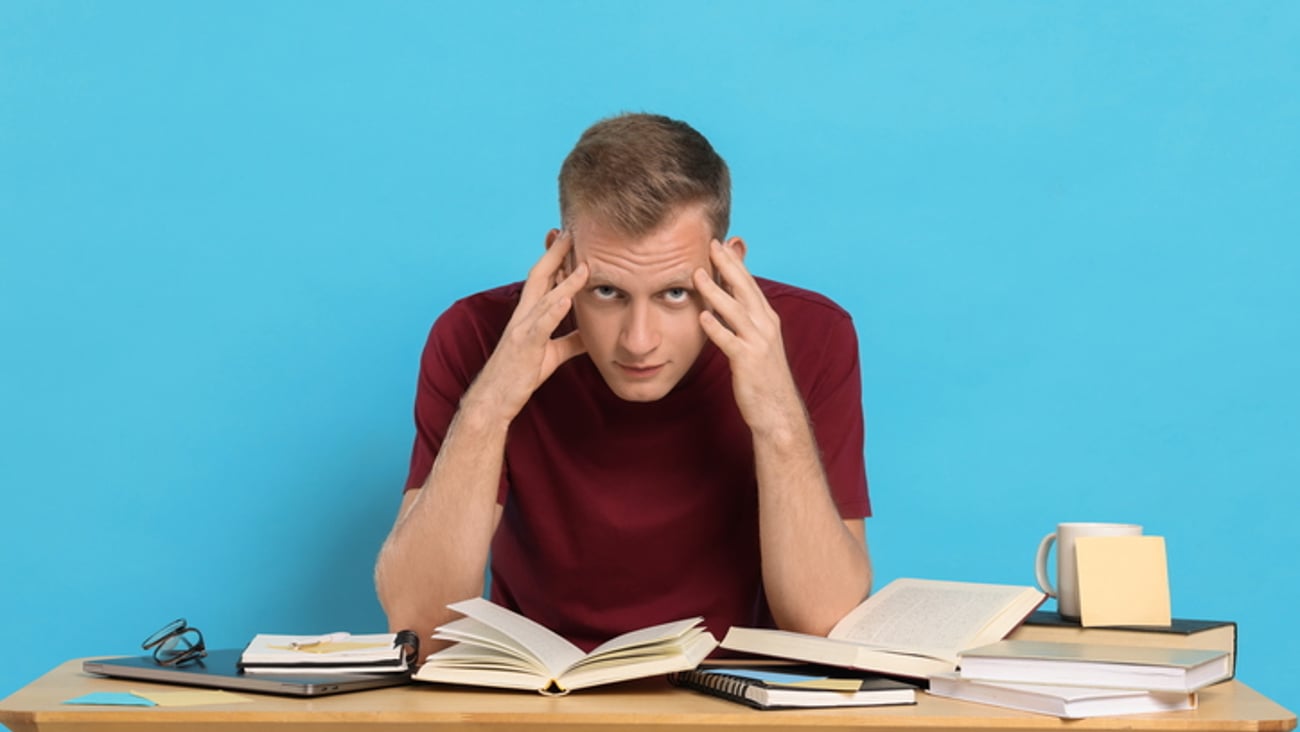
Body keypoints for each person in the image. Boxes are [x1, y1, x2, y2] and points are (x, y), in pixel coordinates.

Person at [375, 113, 873, 652]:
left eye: (675, 293)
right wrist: (491, 404)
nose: (639, 341)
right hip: (537, 701)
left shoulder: (810, 335)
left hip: (729, 705)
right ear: (560, 265)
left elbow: (824, 624)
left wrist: (777, 416)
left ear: (731, 268)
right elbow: (421, 626)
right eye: (608, 291)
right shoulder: (478, 336)